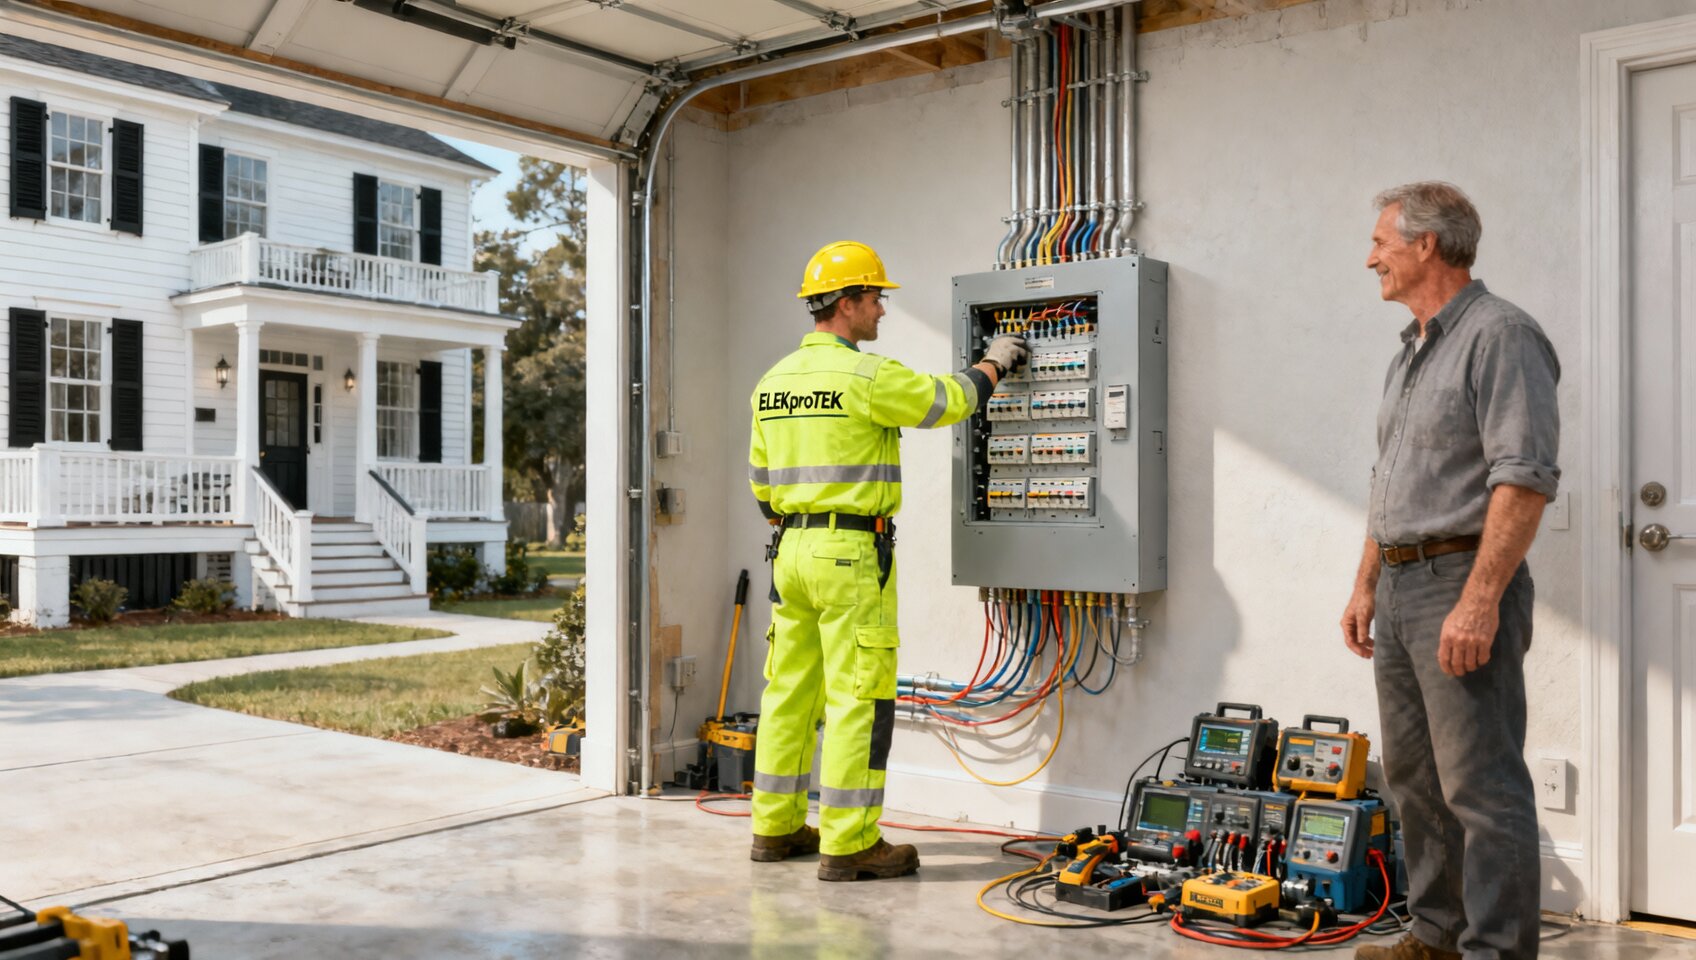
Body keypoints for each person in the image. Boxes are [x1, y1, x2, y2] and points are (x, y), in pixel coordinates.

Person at [746, 240, 1027, 881]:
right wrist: (994, 363)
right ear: (846, 304)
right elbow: (947, 401)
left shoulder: (774, 381)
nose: (882, 310)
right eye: (875, 297)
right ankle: (849, 843)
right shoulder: (865, 377)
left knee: (789, 691)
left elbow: (762, 483)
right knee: (858, 697)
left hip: (789, 551)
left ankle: (776, 826)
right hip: (850, 554)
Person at [1341, 183, 1560, 960]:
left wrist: (1479, 601)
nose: (1370, 257)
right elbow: (1388, 479)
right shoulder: (1411, 352)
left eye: (1380, 242)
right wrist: (1367, 581)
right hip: (1401, 586)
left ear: (1426, 244)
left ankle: (1496, 951)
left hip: (1458, 585)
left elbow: (1524, 478)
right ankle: (1436, 936)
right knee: (1415, 782)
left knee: (1481, 787)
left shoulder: (1502, 337)